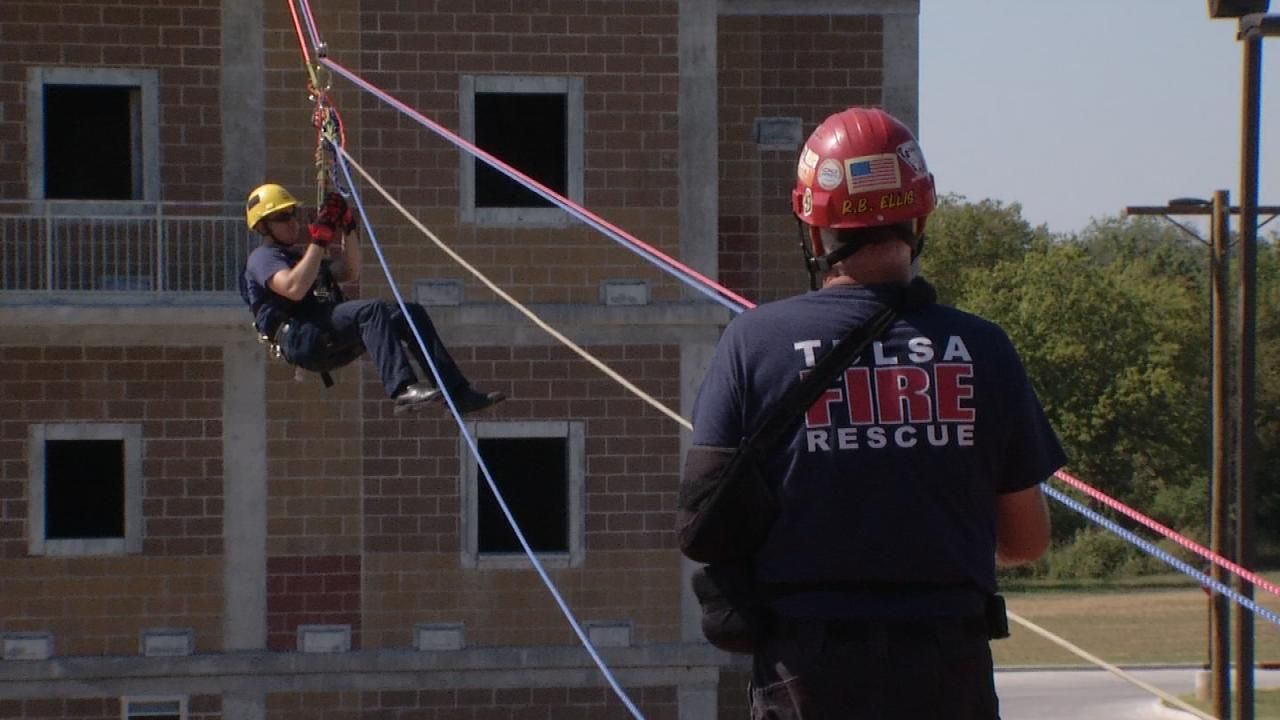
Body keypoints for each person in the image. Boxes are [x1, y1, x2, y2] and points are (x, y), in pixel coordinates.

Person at [681, 108, 1064, 719]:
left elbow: (706, 517)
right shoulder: (984, 348)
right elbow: (1026, 539)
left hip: (806, 674)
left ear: (813, 230)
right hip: (948, 670)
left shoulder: (754, 344)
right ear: (919, 218)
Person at [240, 183, 505, 415]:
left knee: (407, 313)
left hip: (321, 331)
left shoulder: (299, 259)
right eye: (282, 217)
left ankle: (456, 391)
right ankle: (403, 390)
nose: (292, 222)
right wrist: (318, 242)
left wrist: (348, 227)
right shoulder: (263, 259)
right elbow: (294, 287)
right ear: (263, 227)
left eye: (293, 214)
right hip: (302, 337)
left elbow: (349, 271)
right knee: (372, 309)